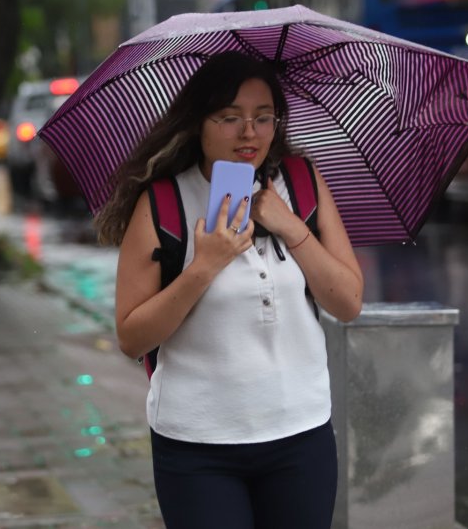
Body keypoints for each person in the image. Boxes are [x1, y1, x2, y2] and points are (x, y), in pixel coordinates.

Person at [95, 51, 363, 529]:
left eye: (264, 118)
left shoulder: (302, 184)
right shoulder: (163, 203)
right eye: (230, 118)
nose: (249, 133)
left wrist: (289, 225)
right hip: (198, 445)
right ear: (200, 123)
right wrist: (205, 266)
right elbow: (132, 338)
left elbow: (347, 303)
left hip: (300, 433)